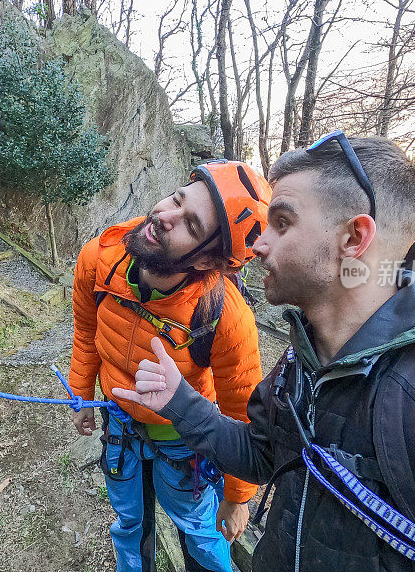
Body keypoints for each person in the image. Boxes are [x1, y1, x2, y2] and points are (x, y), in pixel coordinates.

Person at [114, 133, 415, 572]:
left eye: (282, 223)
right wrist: (181, 402)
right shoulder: (301, 363)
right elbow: (263, 457)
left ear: (353, 238)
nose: (258, 245)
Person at [69, 160, 272, 572]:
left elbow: (243, 414)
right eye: (176, 199)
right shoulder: (100, 258)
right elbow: (86, 331)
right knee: (129, 525)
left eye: (190, 224)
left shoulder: (224, 316)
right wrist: (81, 393)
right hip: (120, 425)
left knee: (200, 532)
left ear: (204, 262)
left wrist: (237, 497)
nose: (163, 216)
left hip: (184, 442)